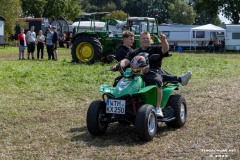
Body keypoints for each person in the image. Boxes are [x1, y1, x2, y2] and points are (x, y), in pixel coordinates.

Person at [113, 31, 192, 117]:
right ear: (139, 40)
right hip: (137, 73)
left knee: (156, 81)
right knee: (119, 81)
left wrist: (163, 40)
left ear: (150, 39)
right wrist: (118, 65)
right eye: (143, 38)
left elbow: (165, 49)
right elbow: (126, 60)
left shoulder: (155, 49)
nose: (145, 40)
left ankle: (158, 108)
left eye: (147, 38)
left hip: (153, 72)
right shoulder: (134, 52)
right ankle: (120, 105)